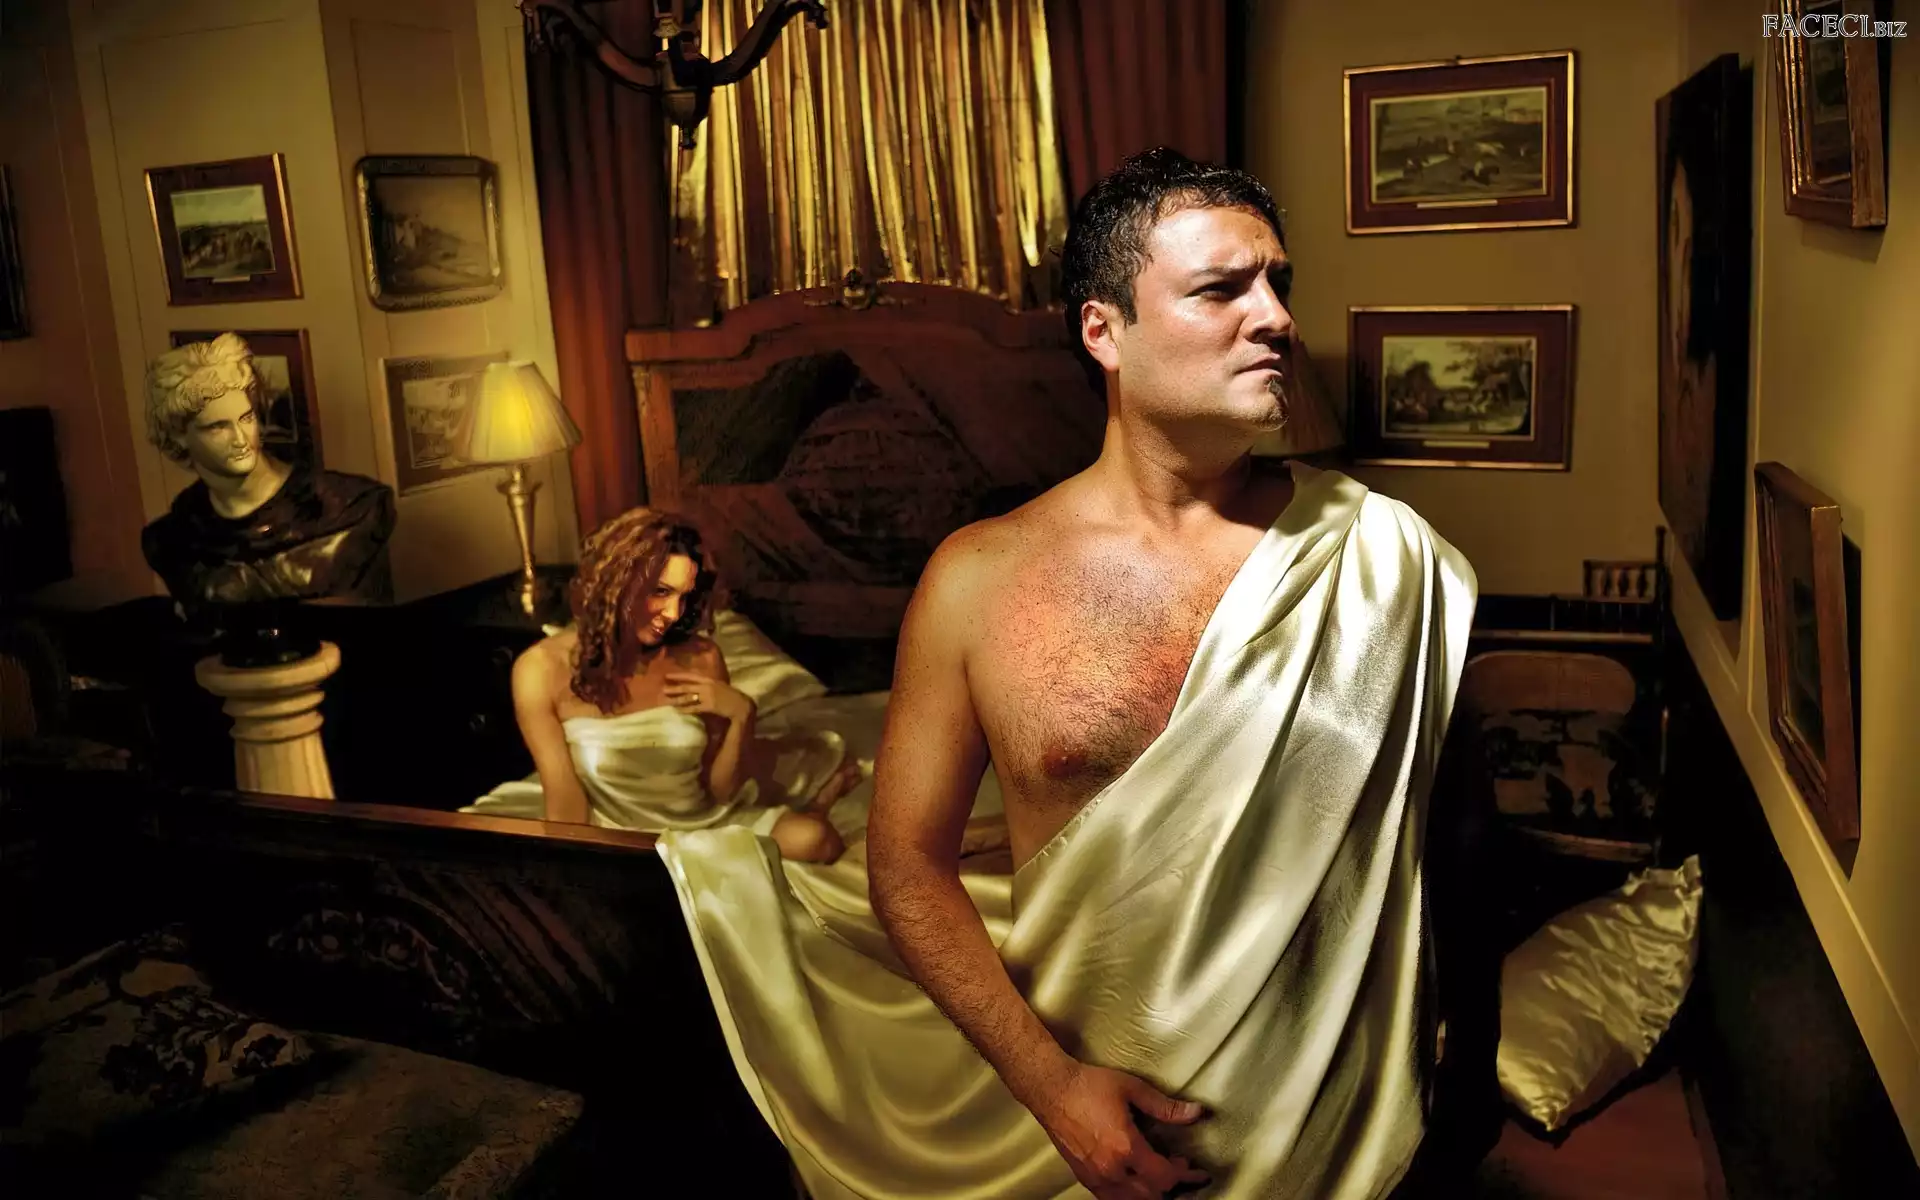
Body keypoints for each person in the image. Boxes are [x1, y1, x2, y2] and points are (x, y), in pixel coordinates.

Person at [649, 148, 1476, 1200]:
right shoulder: (978, 579)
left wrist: (1473, 1067)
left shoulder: (1384, 558)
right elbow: (904, 865)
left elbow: (1460, 835)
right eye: (1221, 289)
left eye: (1279, 284)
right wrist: (1050, 1086)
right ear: (1104, 331)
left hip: (1353, 1136)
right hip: (1093, 1137)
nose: (1274, 318)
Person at [470, 506, 853, 863]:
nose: (673, 613)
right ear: (618, 582)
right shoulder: (540, 670)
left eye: (684, 597)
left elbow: (722, 790)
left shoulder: (702, 657)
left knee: (817, 839)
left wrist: (742, 715)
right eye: (661, 592)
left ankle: (816, 806)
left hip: (702, 826)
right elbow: (566, 809)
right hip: (622, 839)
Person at [140, 333, 395, 619]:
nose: (240, 439)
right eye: (217, 427)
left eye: (246, 418)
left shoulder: (351, 508)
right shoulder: (170, 540)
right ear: (179, 435)